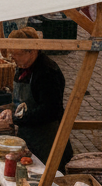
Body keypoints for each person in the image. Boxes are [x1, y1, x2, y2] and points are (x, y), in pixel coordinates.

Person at [7, 27, 74, 166]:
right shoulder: (23, 68)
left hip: (47, 140)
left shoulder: (47, 72)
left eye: (16, 53)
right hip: (29, 136)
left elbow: (50, 110)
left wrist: (17, 118)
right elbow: (21, 101)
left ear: (32, 51)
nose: (12, 57)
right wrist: (8, 110)